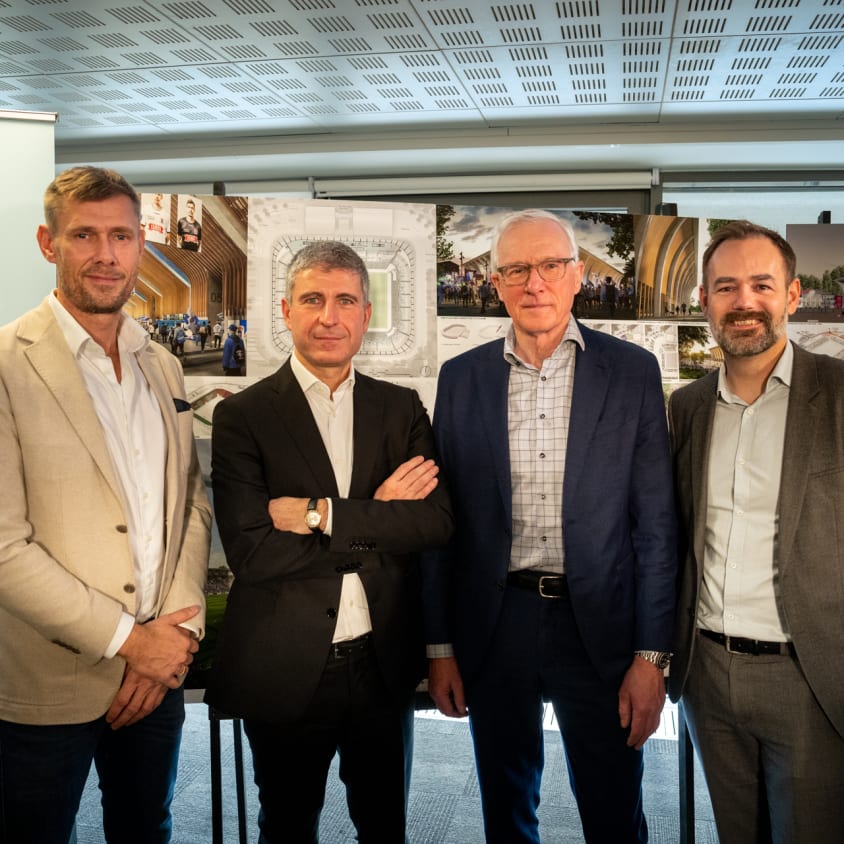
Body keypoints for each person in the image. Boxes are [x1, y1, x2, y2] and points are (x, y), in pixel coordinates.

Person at [423, 209, 677, 843]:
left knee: (614, 808)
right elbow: (442, 526)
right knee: (505, 809)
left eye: (550, 266)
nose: (534, 282)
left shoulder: (632, 372)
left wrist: (653, 656)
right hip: (497, 624)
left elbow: (655, 528)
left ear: (577, 275)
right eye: (516, 269)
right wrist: (439, 647)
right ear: (497, 282)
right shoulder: (461, 379)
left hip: (599, 629)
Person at [206, 239, 454, 844]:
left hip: (381, 664)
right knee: (287, 825)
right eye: (313, 299)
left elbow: (433, 524)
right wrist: (380, 515)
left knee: (384, 824)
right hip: (286, 667)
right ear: (286, 310)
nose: (329, 316)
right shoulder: (244, 416)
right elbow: (255, 554)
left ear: (367, 315)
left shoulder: (400, 409)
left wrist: (320, 516)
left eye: (346, 300)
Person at [0, 165, 211, 843]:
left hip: (156, 676)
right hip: (46, 681)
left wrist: (175, 636)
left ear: (141, 246)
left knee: (146, 829)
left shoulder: (163, 364)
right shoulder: (7, 364)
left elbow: (191, 507)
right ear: (47, 242)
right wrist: (132, 644)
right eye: (84, 235)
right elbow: (4, 549)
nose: (106, 254)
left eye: (122, 236)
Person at [668, 220, 844, 843]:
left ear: (792, 296)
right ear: (706, 302)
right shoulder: (685, 409)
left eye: (761, 285)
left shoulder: (839, 393)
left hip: (811, 678)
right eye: (726, 287)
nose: (744, 301)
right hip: (707, 676)